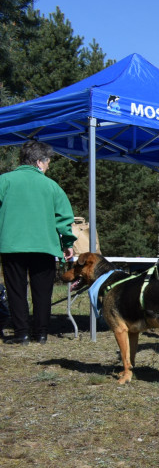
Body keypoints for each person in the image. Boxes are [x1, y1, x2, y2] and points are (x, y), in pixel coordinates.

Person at [0, 141, 76, 344]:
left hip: (12, 245)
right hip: (44, 246)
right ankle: (41, 334)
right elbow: (64, 218)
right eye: (48, 162)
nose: (48, 166)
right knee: (42, 292)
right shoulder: (52, 186)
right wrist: (68, 243)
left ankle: (21, 333)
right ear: (40, 162)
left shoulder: (4, 181)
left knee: (16, 290)